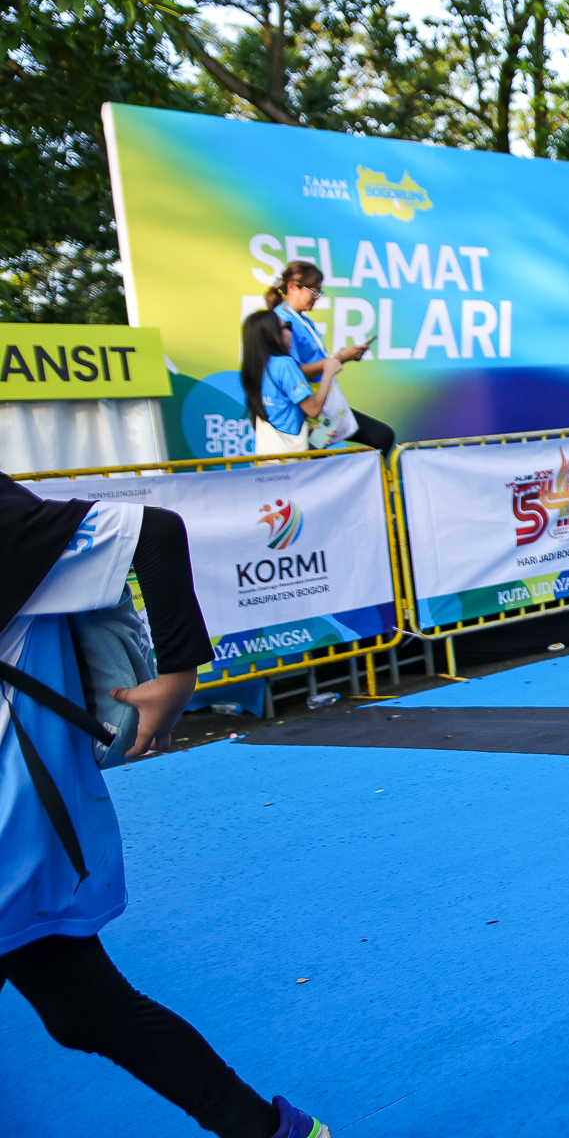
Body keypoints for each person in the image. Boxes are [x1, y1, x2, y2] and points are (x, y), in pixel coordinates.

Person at [0, 478, 331, 1138]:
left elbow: (152, 531)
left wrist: (179, 676)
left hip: (17, 831)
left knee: (91, 1010)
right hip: (23, 837)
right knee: (87, 1012)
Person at [268, 262, 396, 452]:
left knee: (319, 456)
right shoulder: (282, 322)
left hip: (320, 402)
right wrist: (339, 359)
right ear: (293, 288)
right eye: (314, 292)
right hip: (304, 407)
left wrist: (342, 358)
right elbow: (290, 373)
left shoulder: (303, 320)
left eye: (319, 292)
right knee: (380, 437)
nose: (317, 297)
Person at [240, 309, 341, 457]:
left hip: (263, 454)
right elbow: (313, 409)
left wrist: (310, 433)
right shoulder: (284, 364)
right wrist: (328, 372)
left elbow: (278, 417)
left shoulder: (255, 367)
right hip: (288, 460)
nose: (290, 332)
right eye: (286, 327)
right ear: (273, 335)